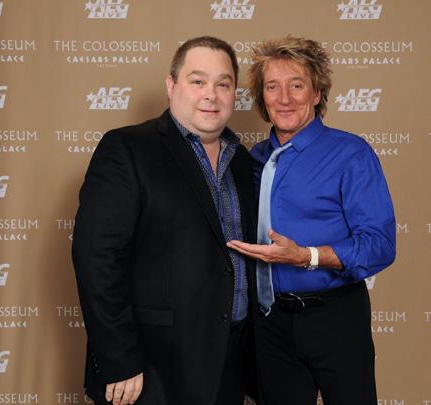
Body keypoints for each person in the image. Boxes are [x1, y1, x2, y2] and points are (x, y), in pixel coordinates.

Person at [72, 36, 257, 405]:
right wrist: (119, 359)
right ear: (171, 86)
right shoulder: (127, 149)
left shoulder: (242, 161)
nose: (211, 94)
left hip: (229, 364)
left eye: (223, 84)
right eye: (198, 81)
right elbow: (97, 260)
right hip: (152, 370)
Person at [227, 36, 396, 405]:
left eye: (297, 85)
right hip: (270, 322)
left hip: (335, 317)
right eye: (273, 86)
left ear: (317, 93)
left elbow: (380, 245)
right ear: (262, 98)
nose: (284, 98)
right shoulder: (253, 159)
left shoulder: (351, 153)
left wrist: (308, 256)